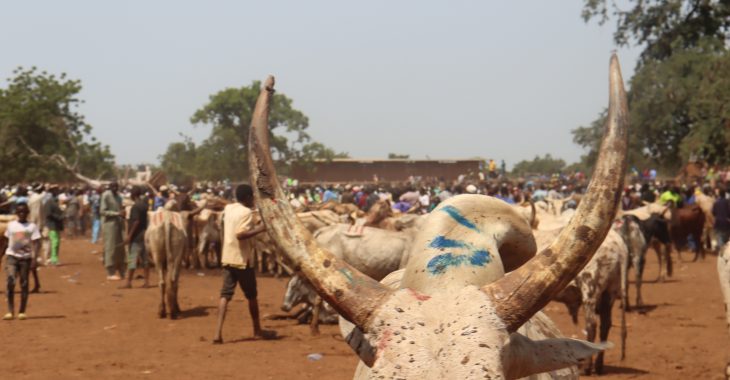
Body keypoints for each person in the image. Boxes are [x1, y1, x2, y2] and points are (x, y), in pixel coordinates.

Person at [213, 184, 270, 344]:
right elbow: (241, 234)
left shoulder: (229, 208)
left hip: (227, 258)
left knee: (225, 295)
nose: (253, 200)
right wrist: (261, 228)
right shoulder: (246, 212)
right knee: (252, 296)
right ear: (247, 198)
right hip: (242, 261)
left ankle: (217, 333)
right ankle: (257, 330)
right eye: (252, 197)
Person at [3, 203, 41, 320]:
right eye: (19, 212)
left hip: (25, 258)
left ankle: (22, 311)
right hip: (11, 257)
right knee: (10, 281)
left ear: (27, 213)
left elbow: (36, 242)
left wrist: (35, 259)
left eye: (24, 212)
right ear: (17, 213)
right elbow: (6, 240)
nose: (22, 214)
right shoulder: (11, 225)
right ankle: (10, 310)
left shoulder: (32, 227)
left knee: (24, 284)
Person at [120, 186, 149, 289]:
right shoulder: (144, 205)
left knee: (132, 259)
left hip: (136, 235)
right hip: (144, 234)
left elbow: (136, 221)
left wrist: (129, 236)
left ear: (133, 195)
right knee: (145, 259)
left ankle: (128, 282)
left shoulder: (135, 207)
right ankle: (147, 282)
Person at [100, 181, 125, 280]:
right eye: (113, 186)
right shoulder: (105, 195)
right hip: (109, 224)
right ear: (110, 187)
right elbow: (102, 211)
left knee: (120, 247)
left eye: (116, 186)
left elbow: (120, 208)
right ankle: (110, 272)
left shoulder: (119, 197)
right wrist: (116, 213)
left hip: (118, 224)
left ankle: (121, 270)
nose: (115, 188)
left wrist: (122, 213)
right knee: (110, 247)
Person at [44, 185, 64, 265]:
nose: (58, 192)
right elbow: (48, 214)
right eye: (56, 190)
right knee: (55, 242)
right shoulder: (49, 202)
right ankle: (54, 259)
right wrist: (59, 217)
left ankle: (55, 258)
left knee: (57, 242)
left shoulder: (55, 201)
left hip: (56, 225)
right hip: (52, 225)